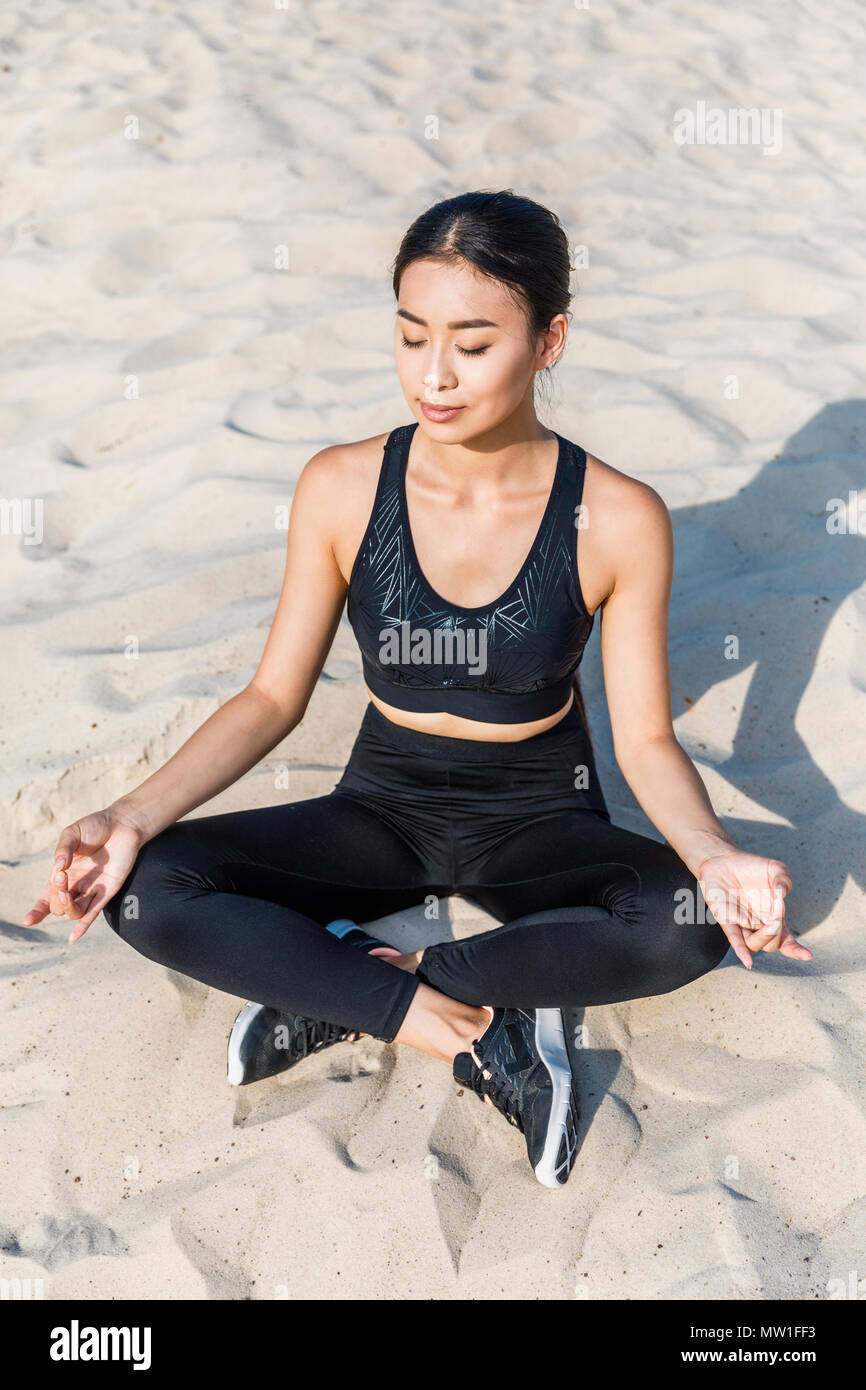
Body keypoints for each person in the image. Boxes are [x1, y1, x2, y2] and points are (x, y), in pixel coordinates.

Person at [23, 190, 811, 1190]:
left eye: (472, 344)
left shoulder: (616, 517)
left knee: (690, 922)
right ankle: (458, 1024)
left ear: (547, 339)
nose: (432, 376)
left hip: (538, 820)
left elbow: (647, 739)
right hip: (380, 809)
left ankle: (351, 984)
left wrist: (716, 855)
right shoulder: (342, 487)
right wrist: (130, 815)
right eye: (409, 336)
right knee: (143, 890)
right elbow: (272, 696)